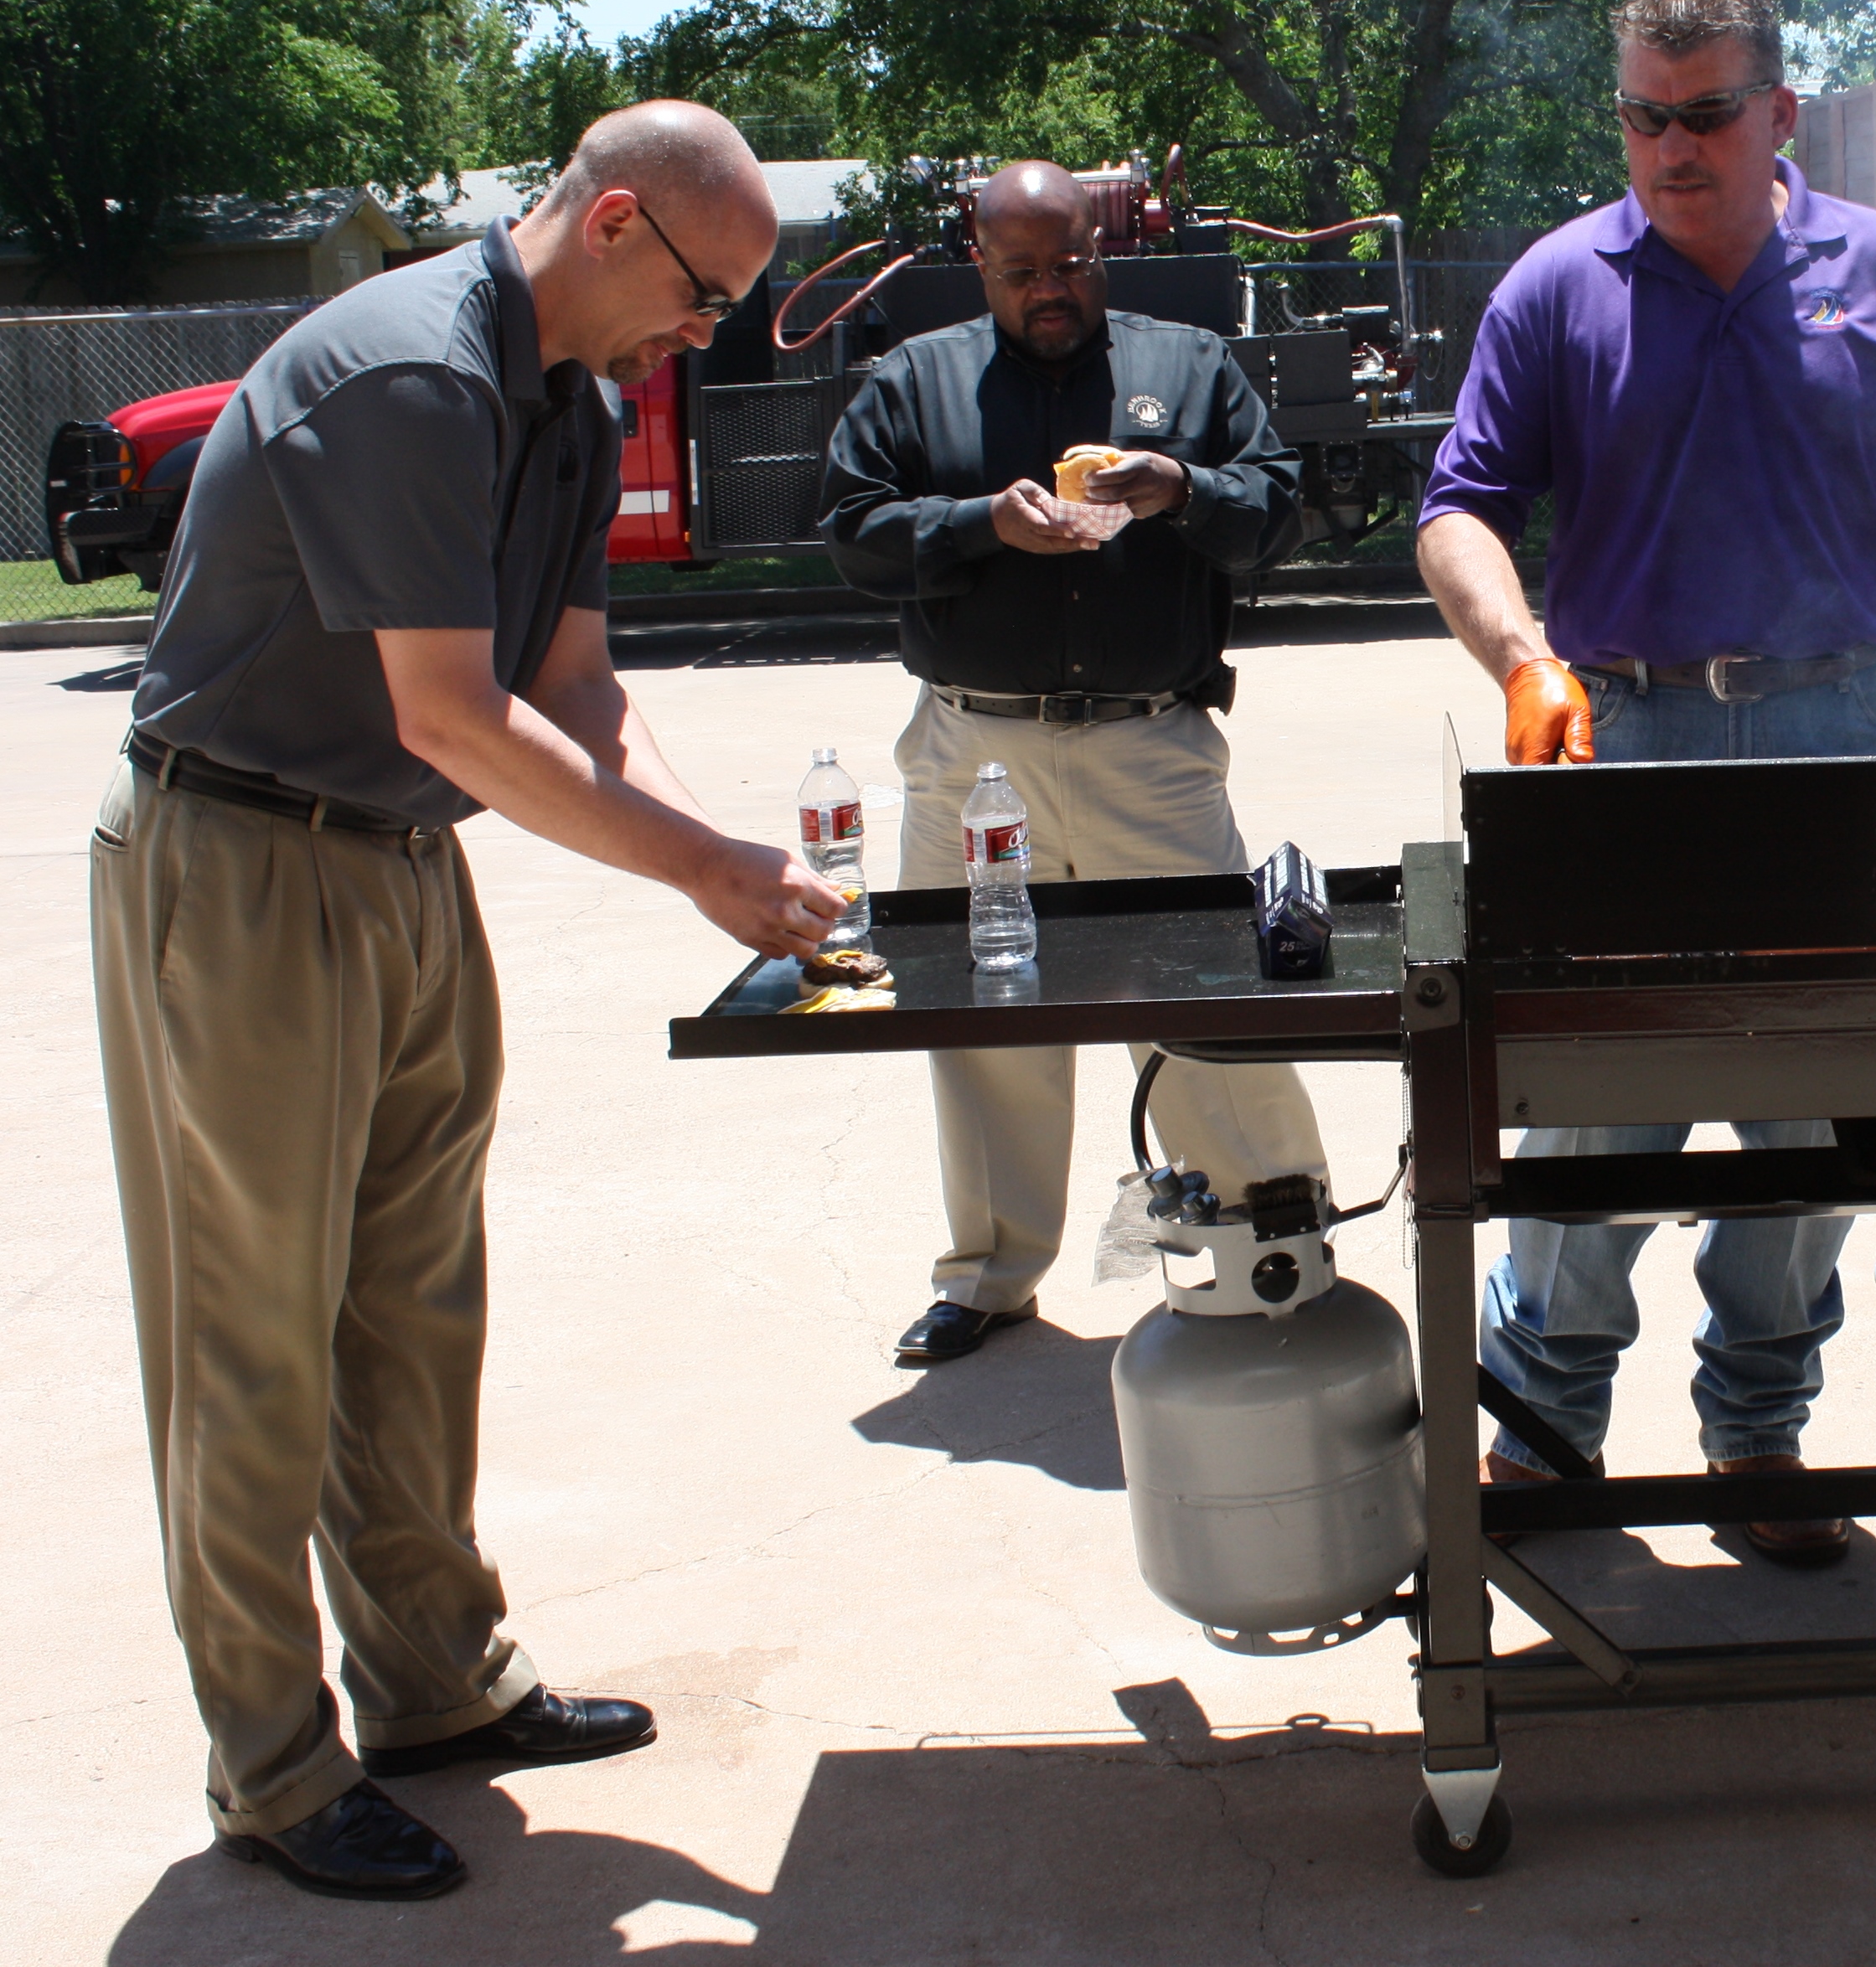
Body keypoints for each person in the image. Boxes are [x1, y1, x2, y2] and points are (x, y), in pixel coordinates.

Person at [92, 102, 848, 1901]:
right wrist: (693, 869)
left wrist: (725, 855)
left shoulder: (569, 407)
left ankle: (436, 1684)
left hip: (406, 863)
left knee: (416, 1305)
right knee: (252, 1334)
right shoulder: (410, 375)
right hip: (245, 855)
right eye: (703, 294)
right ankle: (274, 1770)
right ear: (608, 226)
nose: (710, 336)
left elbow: (572, 681)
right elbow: (446, 705)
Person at [1417, 0, 1876, 1565]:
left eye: (1703, 115)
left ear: (1781, 111)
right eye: (1643, 114)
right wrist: (1522, 657)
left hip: (1856, 733)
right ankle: (1546, 1432)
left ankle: (1757, 1441)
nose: (1670, 147)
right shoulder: (1559, 289)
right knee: (1590, 1108)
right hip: (1628, 737)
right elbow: (1456, 509)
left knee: (1819, 1114)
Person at [819, 160, 1329, 1365]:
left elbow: (1280, 510)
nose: (1052, 291)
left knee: (1204, 999)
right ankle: (992, 1274)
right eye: (1022, 272)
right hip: (968, 746)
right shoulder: (914, 379)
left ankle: (1273, 1238)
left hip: (1148, 745)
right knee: (982, 1013)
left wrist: (1182, 488)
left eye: (1072, 266)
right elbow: (850, 538)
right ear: (978, 261)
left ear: (1103, 252)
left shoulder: (1187, 365)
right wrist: (974, 523)